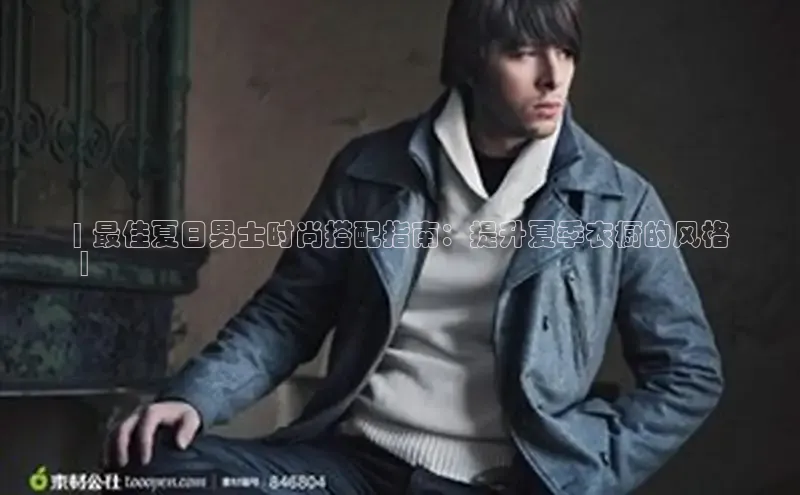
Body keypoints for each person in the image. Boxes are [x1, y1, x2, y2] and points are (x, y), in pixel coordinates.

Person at [106, 0, 724, 493]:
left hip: (499, 479)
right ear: (472, 61)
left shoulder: (617, 202)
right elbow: (288, 315)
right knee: (151, 467)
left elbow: (688, 372)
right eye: (523, 52)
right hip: (352, 464)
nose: (552, 77)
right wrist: (195, 396)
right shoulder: (371, 172)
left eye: (565, 51)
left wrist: (587, 468)